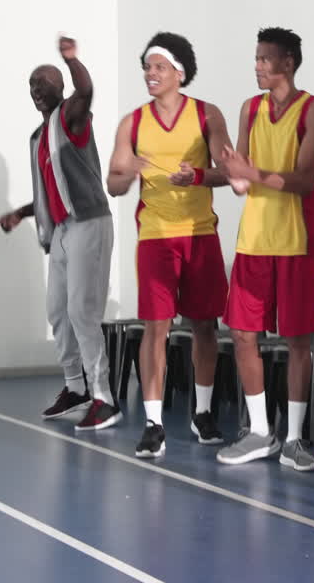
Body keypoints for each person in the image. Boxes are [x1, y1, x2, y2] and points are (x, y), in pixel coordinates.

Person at [106, 32, 234, 458]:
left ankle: (202, 413)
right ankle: (154, 422)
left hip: (200, 234)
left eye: (158, 67)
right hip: (156, 237)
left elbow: (227, 171)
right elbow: (114, 182)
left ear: (179, 72)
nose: (150, 74)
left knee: (203, 326)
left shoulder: (207, 115)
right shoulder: (133, 122)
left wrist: (196, 175)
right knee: (156, 328)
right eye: (146, 67)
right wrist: (130, 171)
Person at [217, 28, 314, 470]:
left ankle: (296, 439)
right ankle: (262, 432)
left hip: (296, 241)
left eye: (265, 59)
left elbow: (304, 180)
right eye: (257, 58)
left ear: (288, 63)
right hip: (253, 241)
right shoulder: (250, 109)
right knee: (244, 336)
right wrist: (234, 174)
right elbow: (243, 182)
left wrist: (252, 171)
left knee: (298, 342)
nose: (258, 66)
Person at [0, 35, 120, 432]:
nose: (36, 90)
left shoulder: (72, 117)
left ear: (59, 87)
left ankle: (103, 397)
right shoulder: (38, 138)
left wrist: (71, 59)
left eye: (43, 83)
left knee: (83, 312)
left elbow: (87, 89)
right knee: (58, 313)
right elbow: (47, 195)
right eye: (31, 86)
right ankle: (75, 388)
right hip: (62, 231)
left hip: (90, 223)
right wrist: (21, 213)